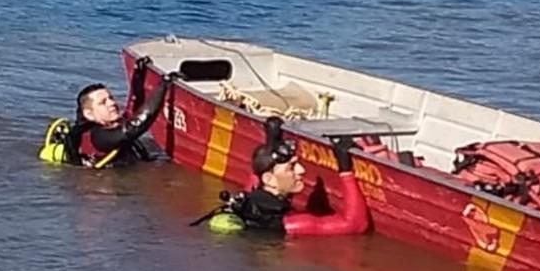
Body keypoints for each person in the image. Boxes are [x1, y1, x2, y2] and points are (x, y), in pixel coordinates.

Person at [204, 117, 370, 236]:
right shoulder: (290, 223)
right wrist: (345, 169)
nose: (302, 171)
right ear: (270, 180)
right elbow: (355, 225)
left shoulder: (251, 200)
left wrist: (271, 141)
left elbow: (257, 177)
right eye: (291, 167)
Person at [74, 56, 178, 169]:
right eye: (103, 103)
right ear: (89, 114)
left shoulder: (112, 126)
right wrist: (163, 85)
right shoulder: (98, 137)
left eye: (111, 98)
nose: (112, 103)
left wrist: (138, 74)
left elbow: (133, 110)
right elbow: (135, 126)